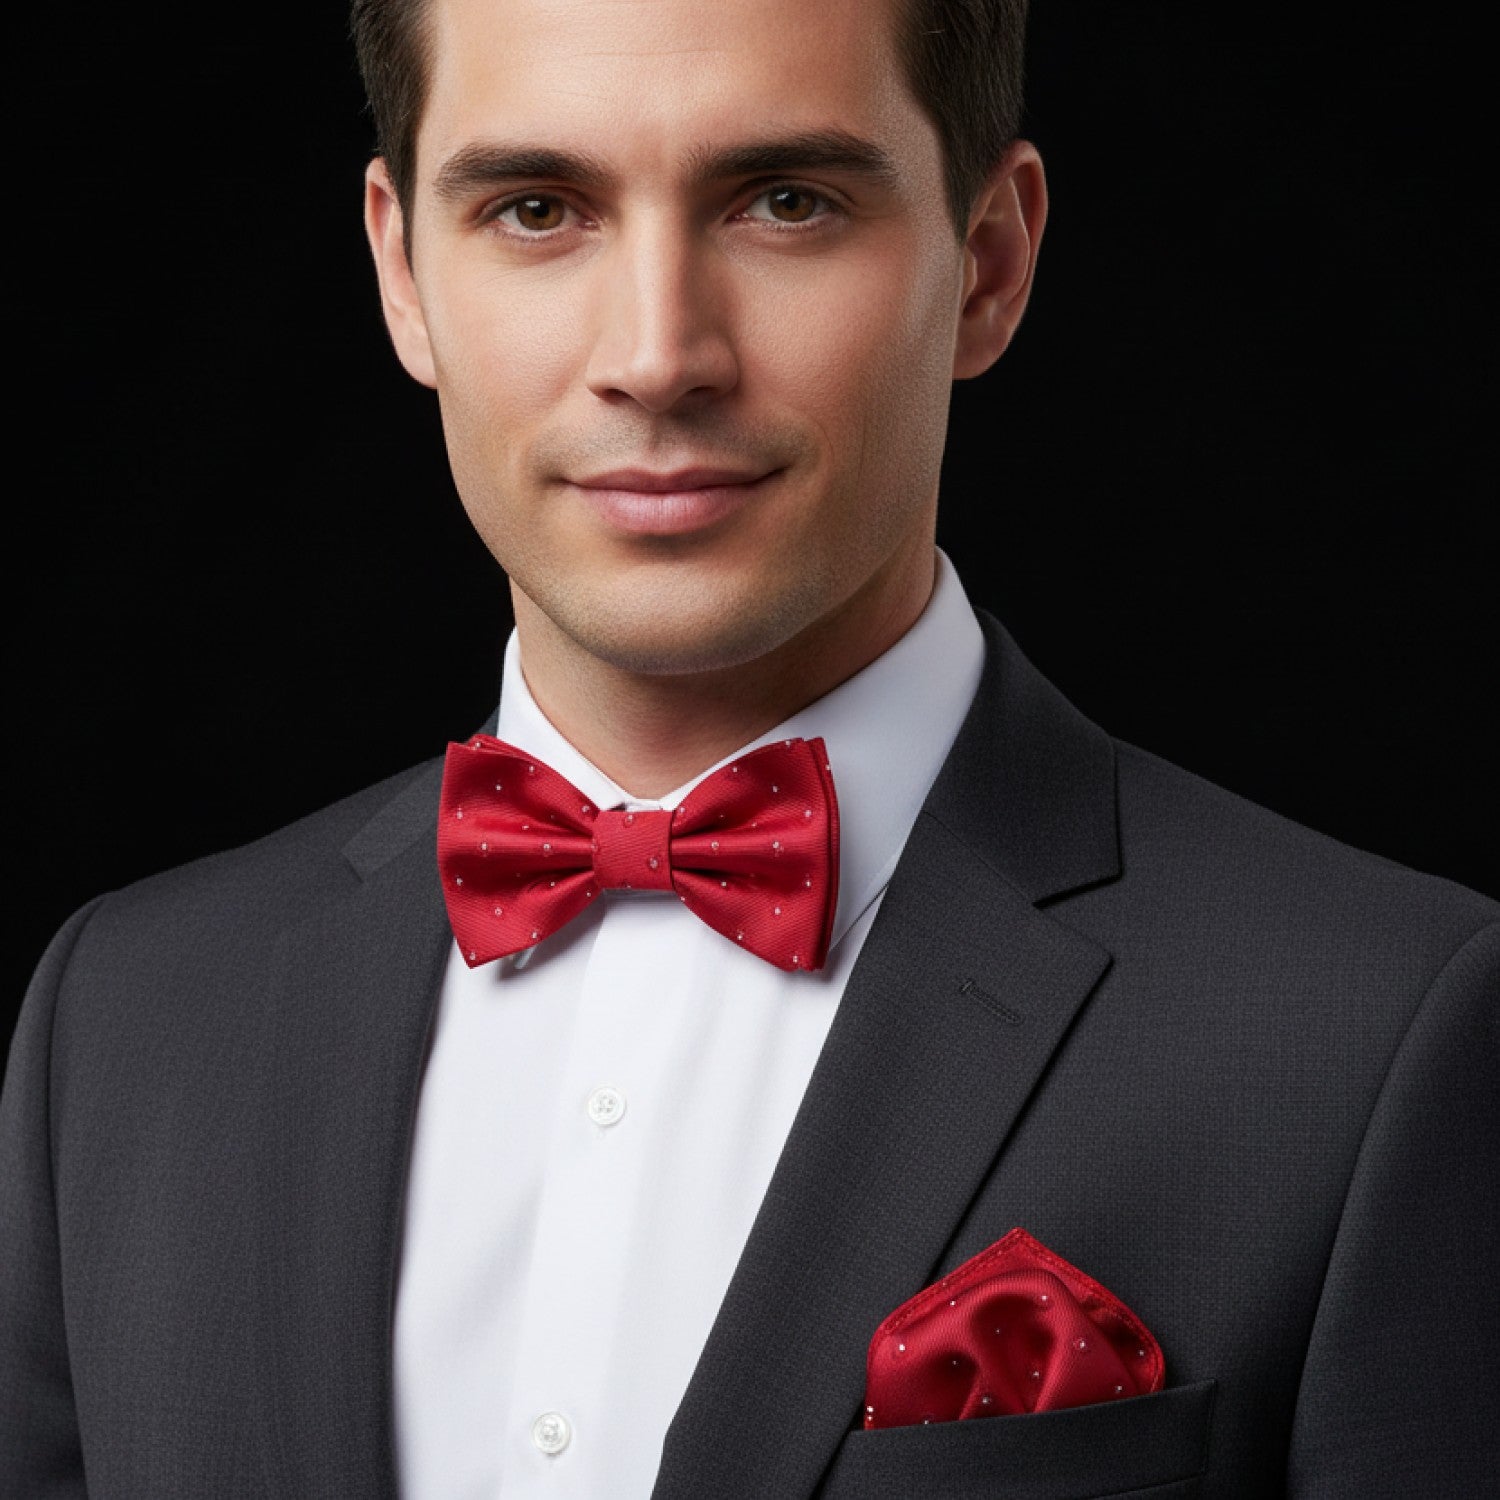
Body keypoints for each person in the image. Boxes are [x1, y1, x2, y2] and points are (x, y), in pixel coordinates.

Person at [2, 0, 1495, 1494]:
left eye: (788, 203)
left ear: (988, 263)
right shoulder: (121, 1023)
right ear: (404, 274)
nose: (658, 357)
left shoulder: (1384, 1041)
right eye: (537, 209)